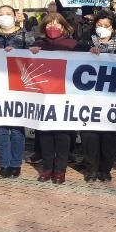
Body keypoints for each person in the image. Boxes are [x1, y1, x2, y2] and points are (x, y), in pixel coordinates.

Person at [29, 13, 79, 184]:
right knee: (45, 133)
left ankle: (60, 170)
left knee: (63, 135)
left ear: (64, 26)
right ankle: (47, 169)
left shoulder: (73, 45)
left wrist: (94, 52)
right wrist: (31, 54)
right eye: (49, 24)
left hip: (66, 96)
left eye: (57, 24)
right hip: (44, 96)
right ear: (44, 27)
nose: (53, 27)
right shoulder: (38, 45)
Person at [0, 5, 30, 179]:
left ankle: (15, 164)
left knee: (17, 128)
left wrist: (20, 52)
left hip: (19, 87)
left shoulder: (25, 35)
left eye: (8, 14)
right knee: (1, 129)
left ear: (15, 16)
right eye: (1, 14)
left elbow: (36, 53)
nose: (5, 17)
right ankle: (4, 164)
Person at [81, 11, 116, 182]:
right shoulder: (85, 41)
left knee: (108, 135)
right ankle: (91, 169)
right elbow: (73, 54)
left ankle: (105, 170)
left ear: (113, 28)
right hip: (89, 97)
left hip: (111, 98)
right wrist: (87, 52)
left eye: (107, 25)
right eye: (99, 25)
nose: (102, 28)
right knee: (89, 134)